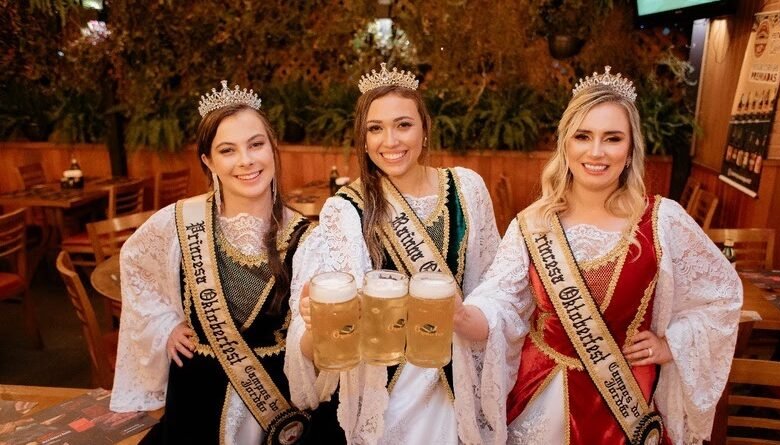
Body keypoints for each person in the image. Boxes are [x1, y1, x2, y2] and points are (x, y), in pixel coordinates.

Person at [460, 67, 743, 444]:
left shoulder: (663, 221)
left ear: (629, 150)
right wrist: (458, 315)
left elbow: (723, 296)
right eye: (583, 136)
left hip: (626, 402)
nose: (596, 152)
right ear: (566, 145)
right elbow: (499, 304)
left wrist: (671, 344)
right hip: (541, 396)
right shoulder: (533, 225)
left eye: (612, 138)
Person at [110, 81, 342, 444]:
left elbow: (308, 342)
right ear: (208, 161)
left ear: (272, 147)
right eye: (228, 150)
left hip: (277, 408)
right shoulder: (178, 222)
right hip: (197, 400)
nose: (246, 160)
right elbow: (136, 262)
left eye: (256, 144)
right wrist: (164, 323)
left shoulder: (308, 238)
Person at [284, 63, 501, 444]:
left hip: (456, 380)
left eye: (403, 125)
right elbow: (313, 333)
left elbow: (492, 288)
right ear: (363, 140)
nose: (391, 141)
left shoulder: (468, 189)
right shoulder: (345, 209)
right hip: (388, 395)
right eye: (375, 128)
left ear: (424, 128)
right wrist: (314, 325)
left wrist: (468, 317)